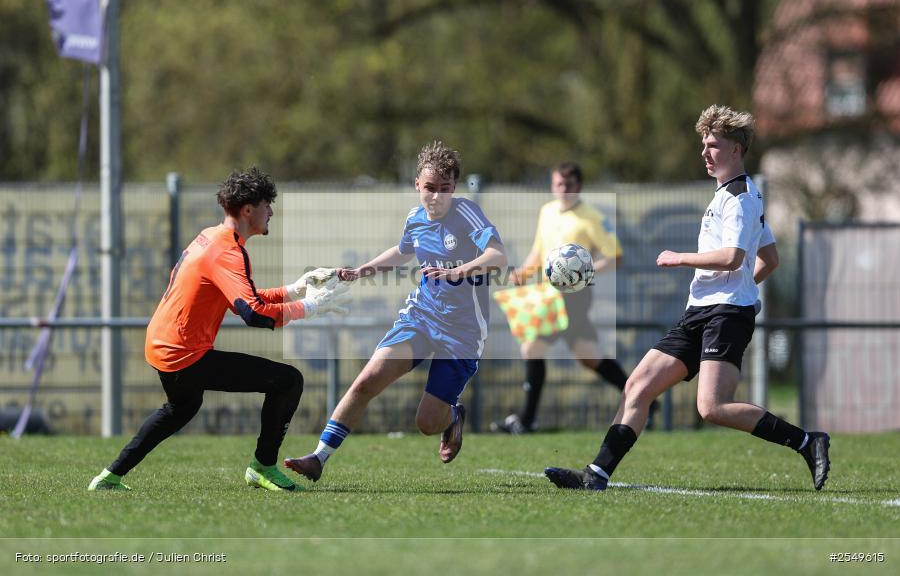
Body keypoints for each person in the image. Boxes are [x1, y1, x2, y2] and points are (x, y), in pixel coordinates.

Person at [544, 105, 831, 492]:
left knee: (712, 407)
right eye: (703, 145)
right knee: (637, 386)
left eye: (713, 145)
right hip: (701, 312)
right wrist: (746, 289)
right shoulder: (726, 195)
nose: (705, 153)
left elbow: (733, 257)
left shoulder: (742, 199)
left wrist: (682, 260)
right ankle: (596, 475)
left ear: (736, 150)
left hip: (725, 314)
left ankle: (806, 441)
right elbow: (770, 260)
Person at [88, 167, 350, 493]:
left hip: (162, 345)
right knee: (287, 381)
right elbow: (252, 314)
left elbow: (241, 298)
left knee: (181, 408)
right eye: (267, 204)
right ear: (248, 209)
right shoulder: (228, 251)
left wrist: (294, 290)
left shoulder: (212, 237)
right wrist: (309, 308)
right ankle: (263, 467)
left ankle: (108, 477)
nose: (271, 212)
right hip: (183, 353)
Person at [284, 141, 507, 482]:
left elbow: (497, 256)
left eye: (444, 189)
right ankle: (319, 457)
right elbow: (402, 252)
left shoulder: (466, 213)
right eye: (429, 188)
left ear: (454, 188)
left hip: (462, 333)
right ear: (417, 184)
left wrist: (456, 272)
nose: (436, 197)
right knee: (366, 381)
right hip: (421, 317)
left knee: (426, 423)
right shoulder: (415, 219)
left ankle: (451, 417)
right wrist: (361, 271)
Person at [492, 161, 649, 434]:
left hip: (575, 296)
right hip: (548, 294)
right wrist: (524, 273)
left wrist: (582, 271)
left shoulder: (591, 217)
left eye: (568, 184)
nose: (563, 190)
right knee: (589, 356)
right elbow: (539, 253)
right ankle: (647, 402)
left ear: (579, 186)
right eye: (558, 184)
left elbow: (615, 256)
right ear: (552, 186)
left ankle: (526, 420)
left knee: (532, 348)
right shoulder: (547, 212)